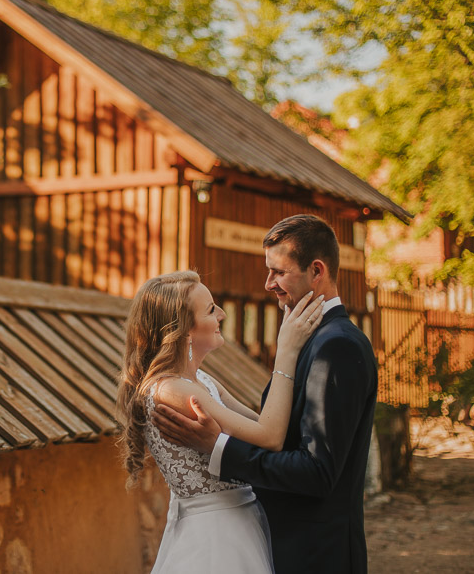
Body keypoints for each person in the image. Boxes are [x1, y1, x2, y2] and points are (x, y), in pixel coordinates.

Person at [152, 215, 378, 574]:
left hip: (317, 556)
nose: (268, 283)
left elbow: (317, 472)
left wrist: (219, 447)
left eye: (279, 272)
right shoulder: (308, 339)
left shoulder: (337, 347)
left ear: (316, 271)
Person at [116, 270, 325, 573]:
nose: (222, 315)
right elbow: (270, 436)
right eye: (211, 309)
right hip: (216, 538)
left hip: (240, 521)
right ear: (184, 331)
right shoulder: (172, 391)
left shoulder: (200, 379)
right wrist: (286, 352)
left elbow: (263, 424)